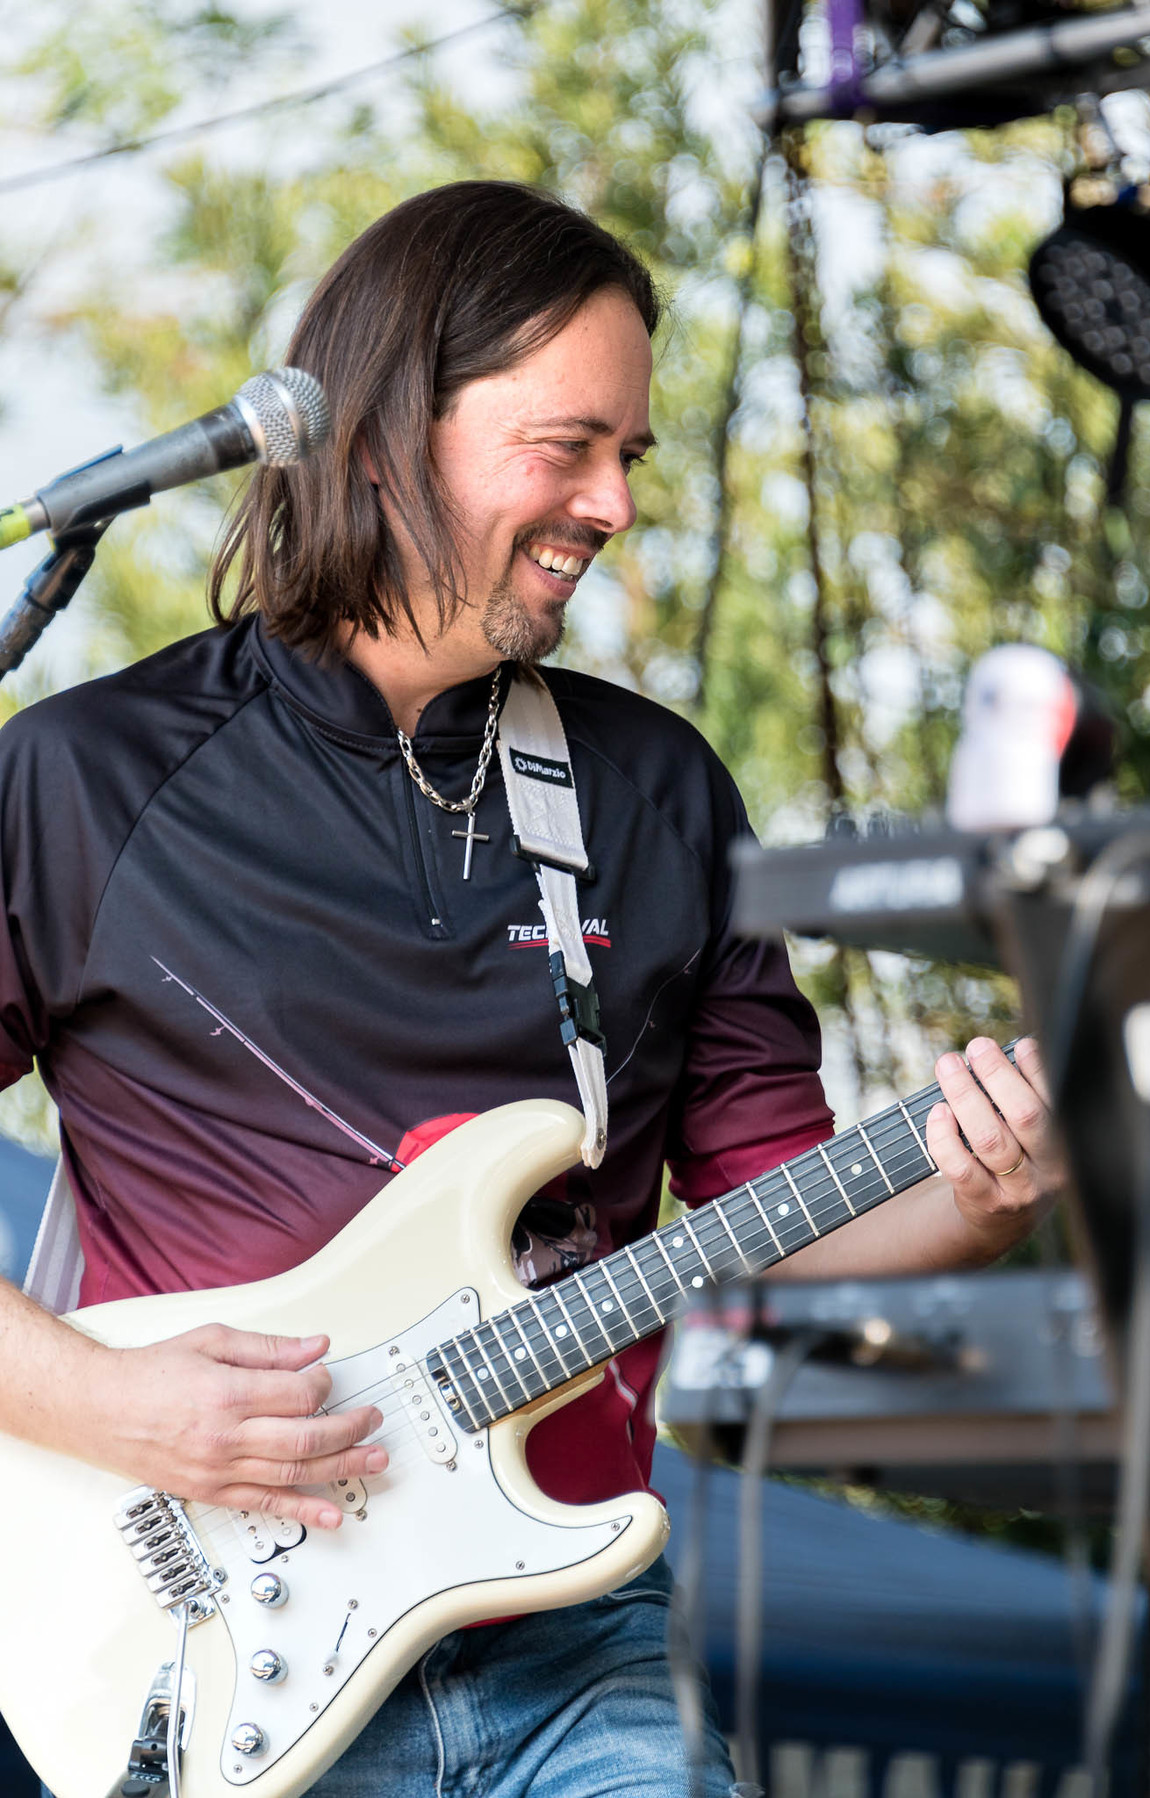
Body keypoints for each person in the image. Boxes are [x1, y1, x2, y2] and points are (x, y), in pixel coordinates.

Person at [0, 181, 1062, 1797]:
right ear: (377, 432)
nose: (614, 503)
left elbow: (785, 1217)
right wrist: (110, 1404)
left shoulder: (655, 794)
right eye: (567, 445)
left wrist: (980, 1191)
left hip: (574, 1632)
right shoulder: (89, 778)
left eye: (627, 455)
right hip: (219, 1639)